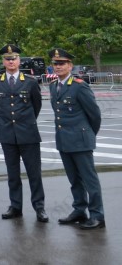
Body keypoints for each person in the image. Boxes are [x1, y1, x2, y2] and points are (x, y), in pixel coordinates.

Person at [0, 44, 48, 222]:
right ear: (3, 61)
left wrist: (26, 122)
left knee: (34, 174)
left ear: (19, 60)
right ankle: (15, 206)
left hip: (28, 134)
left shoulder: (30, 81)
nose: (11, 62)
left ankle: (39, 207)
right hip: (8, 135)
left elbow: (36, 106)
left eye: (14, 58)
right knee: (13, 175)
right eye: (7, 59)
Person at [49, 48, 104, 229]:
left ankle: (97, 215)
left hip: (80, 140)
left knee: (89, 180)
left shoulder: (79, 86)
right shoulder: (53, 86)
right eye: (55, 64)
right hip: (64, 140)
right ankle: (79, 209)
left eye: (62, 63)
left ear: (70, 66)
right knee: (74, 180)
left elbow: (94, 115)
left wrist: (87, 134)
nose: (58, 66)